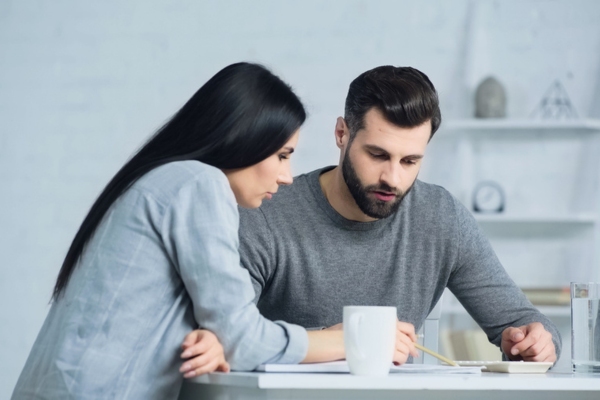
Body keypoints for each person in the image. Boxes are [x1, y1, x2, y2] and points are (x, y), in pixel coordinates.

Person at [12, 62, 355, 400]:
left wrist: (218, 340)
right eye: (282, 155)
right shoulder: (198, 184)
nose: (287, 176)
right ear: (245, 136)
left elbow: (224, 332)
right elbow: (244, 338)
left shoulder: (162, 179)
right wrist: (350, 339)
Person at [237, 65, 561, 363]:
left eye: (410, 161)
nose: (392, 178)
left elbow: (532, 326)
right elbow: (227, 339)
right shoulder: (267, 212)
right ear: (341, 134)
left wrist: (535, 343)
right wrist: (332, 341)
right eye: (378, 155)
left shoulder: (441, 219)